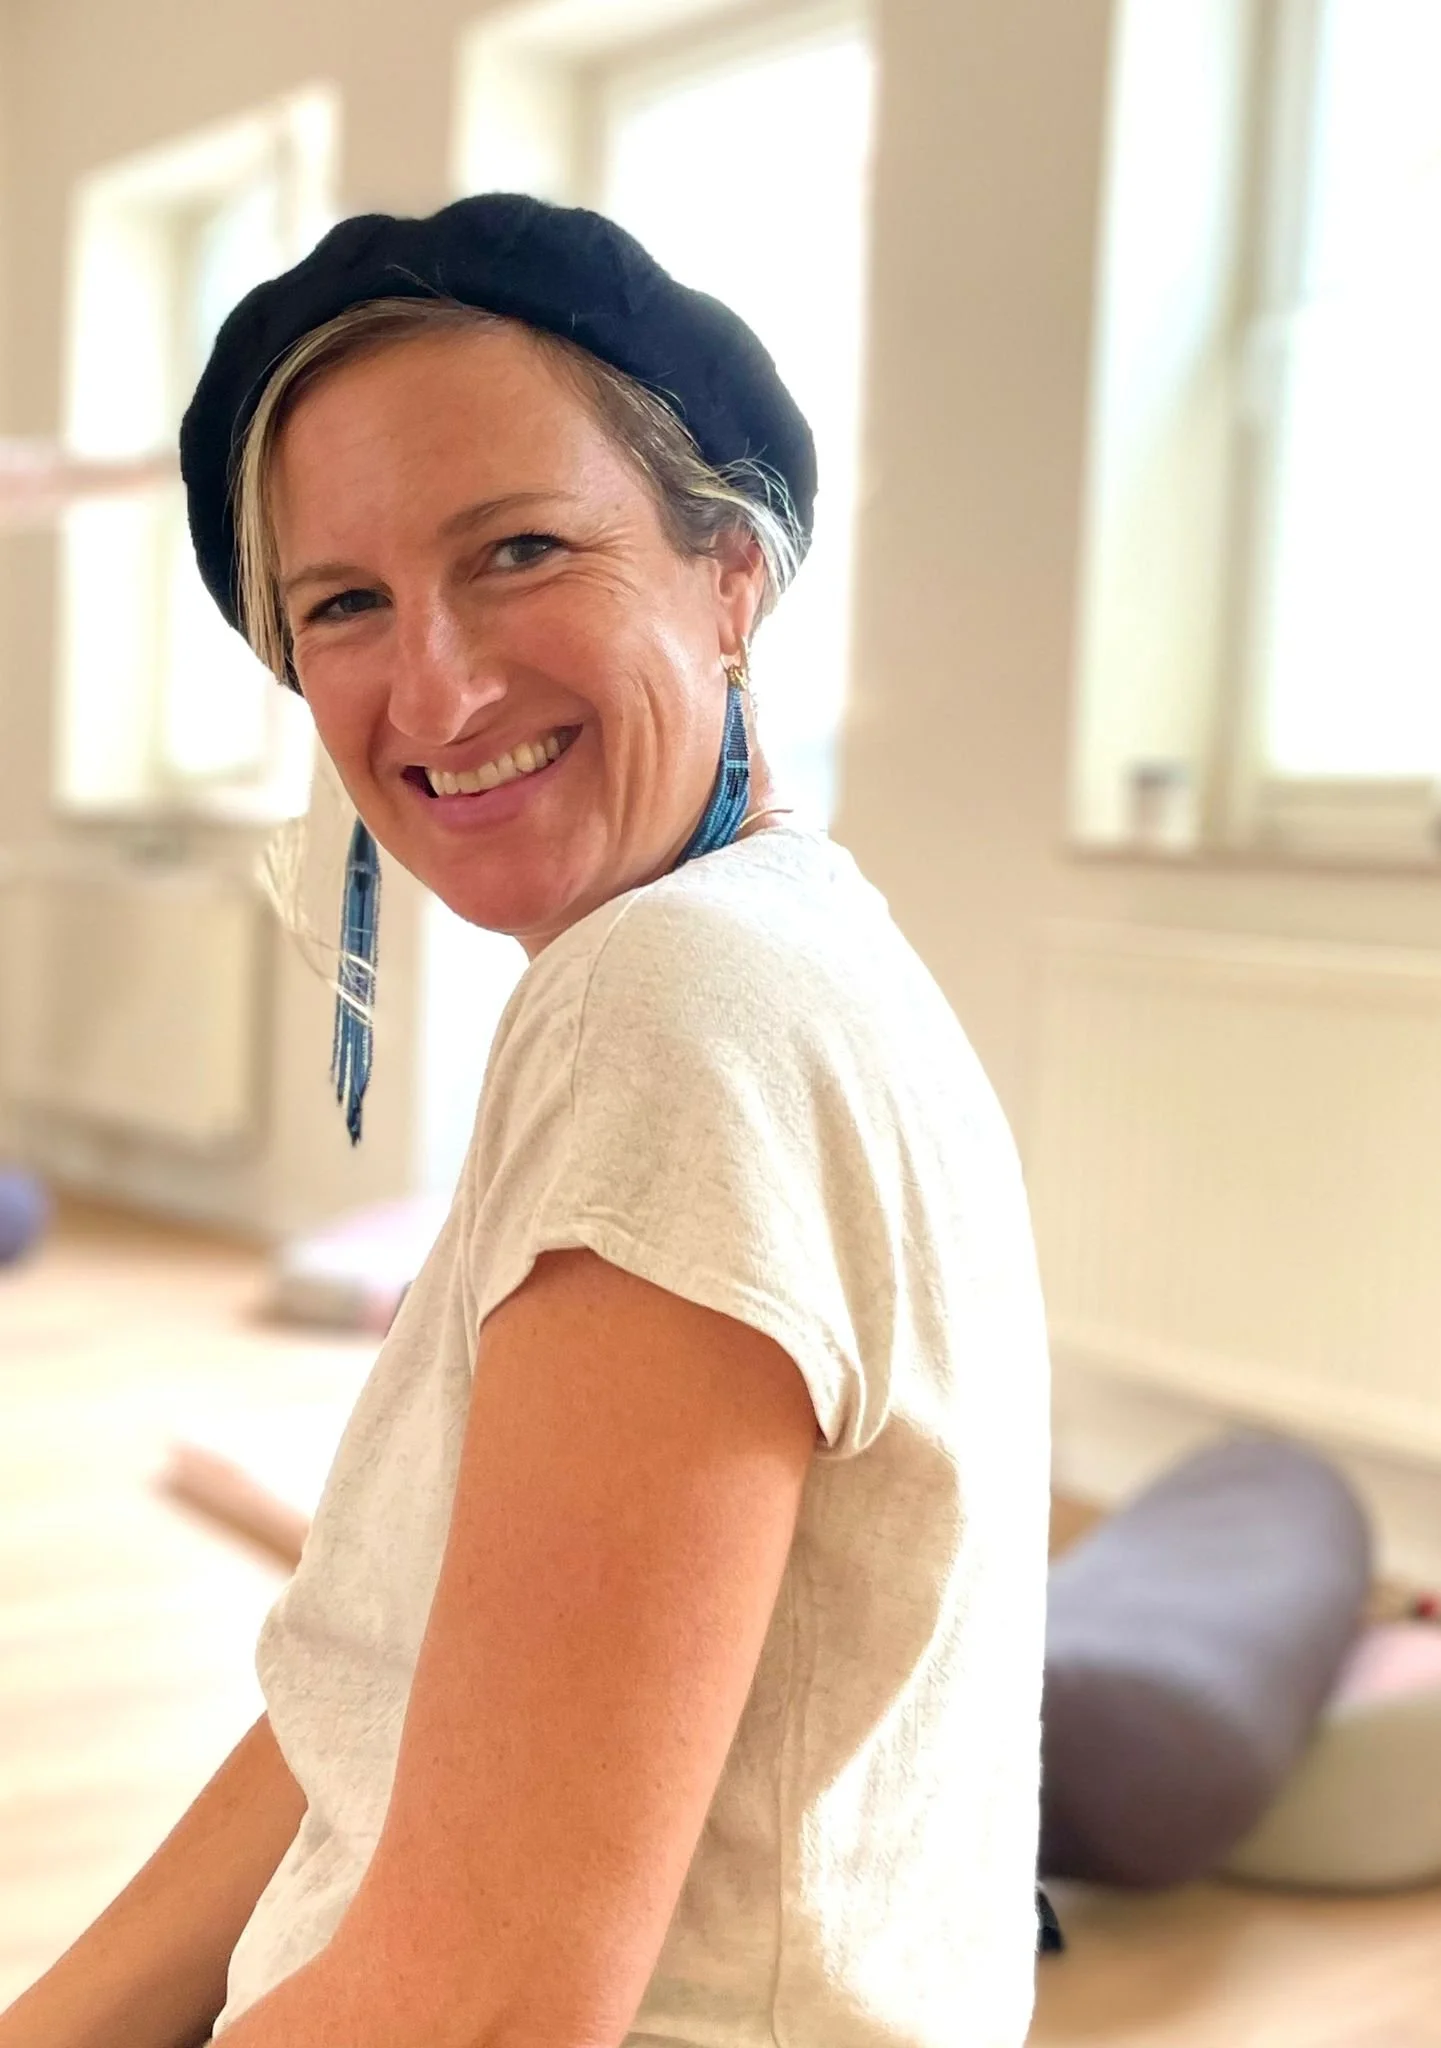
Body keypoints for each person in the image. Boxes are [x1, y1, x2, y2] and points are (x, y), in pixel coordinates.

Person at [0, 194, 1052, 2048]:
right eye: (345, 605)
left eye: (520, 550)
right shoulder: (773, 946)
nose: (438, 686)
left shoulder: (673, 1008)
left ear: (730, 574)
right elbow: (372, 1701)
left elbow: (485, 2013)